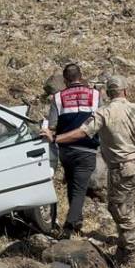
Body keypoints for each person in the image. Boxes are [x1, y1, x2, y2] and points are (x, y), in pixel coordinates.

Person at [41, 75, 135, 263]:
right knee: (126, 206)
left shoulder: (105, 112)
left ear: (108, 94)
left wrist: (56, 139)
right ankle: (123, 246)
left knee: (119, 209)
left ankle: (131, 253)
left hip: (121, 167)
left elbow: (82, 132)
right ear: (126, 91)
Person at [46, 63, 100, 238]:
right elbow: (102, 120)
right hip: (87, 148)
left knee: (72, 183)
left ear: (65, 79)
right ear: (81, 75)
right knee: (79, 188)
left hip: (66, 149)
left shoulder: (58, 97)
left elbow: (52, 125)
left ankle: (76, 221)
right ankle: (70, 225)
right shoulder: (96, 95)